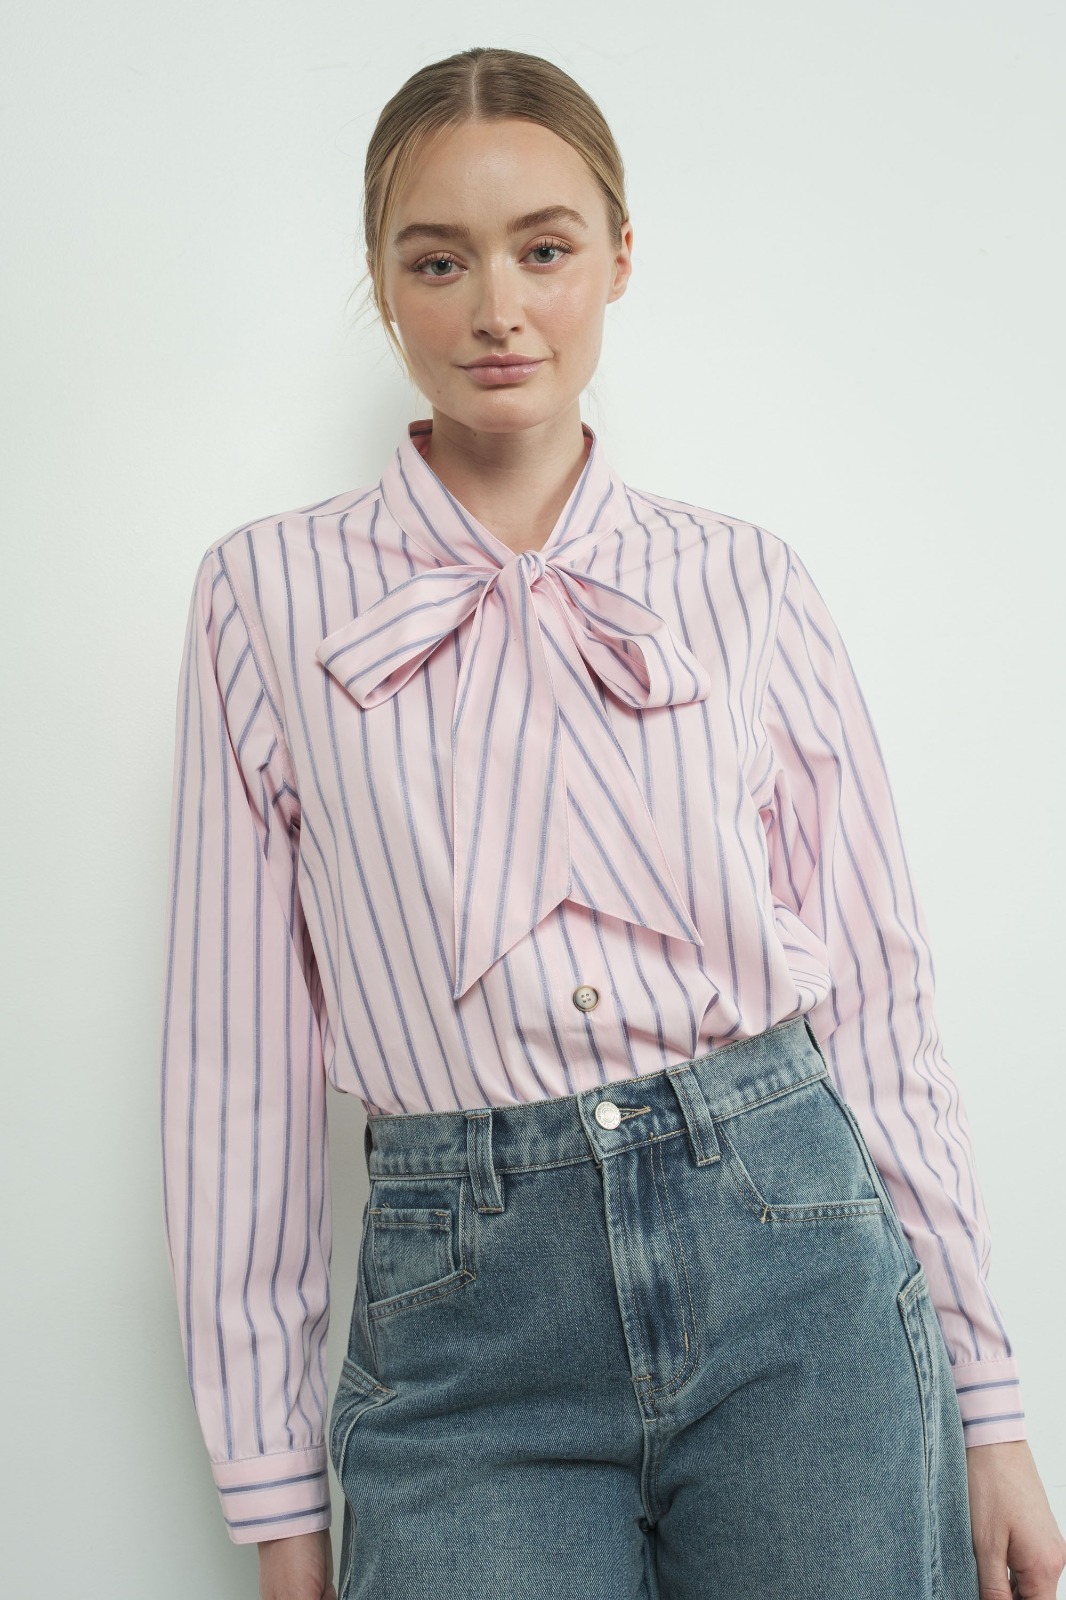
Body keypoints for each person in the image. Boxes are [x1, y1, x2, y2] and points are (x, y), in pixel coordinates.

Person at [158, 45, 1065, 1600]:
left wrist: (988, 1407)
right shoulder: (264, 595)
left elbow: (876, 1000)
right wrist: (274, 1500)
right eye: (436, 261)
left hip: (796, 1269)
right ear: (380, 283)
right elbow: (232, 1066)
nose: (494, 309)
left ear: (618, 258)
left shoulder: (745, 581)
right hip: (462, 1324)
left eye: (543, 249)